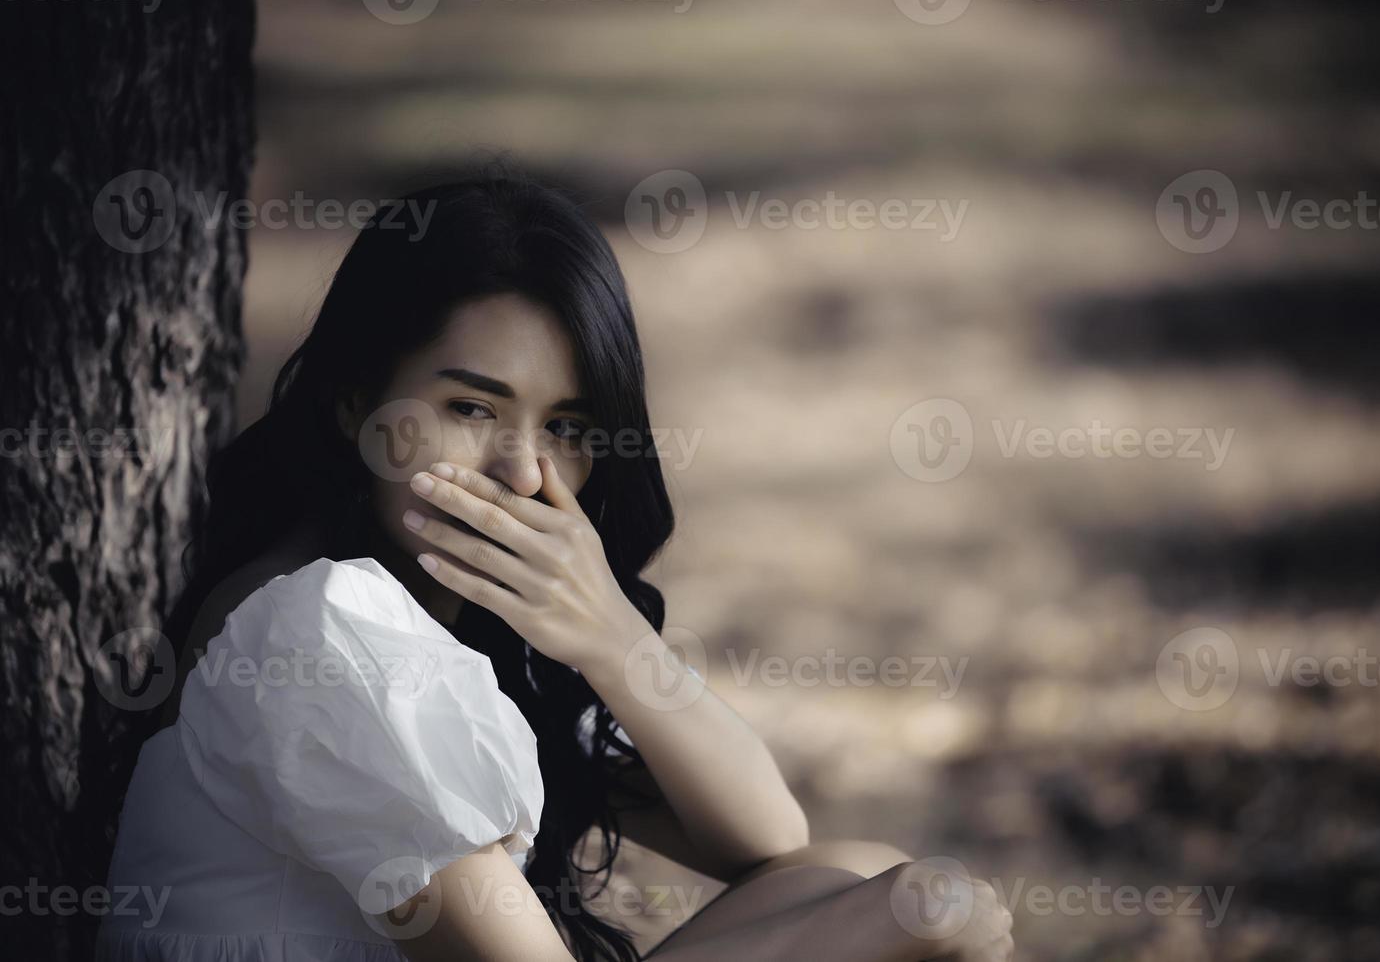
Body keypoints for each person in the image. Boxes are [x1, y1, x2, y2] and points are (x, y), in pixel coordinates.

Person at [98, 166, 1014, 962]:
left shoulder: (459, 630)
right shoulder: (320, 628)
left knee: (842, 872)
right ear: (354, 404)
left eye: (566, 428)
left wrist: (611, 635)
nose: (524, 473)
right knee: (901, 902)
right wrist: (918, 917)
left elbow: (769, 837)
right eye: (470, 408)